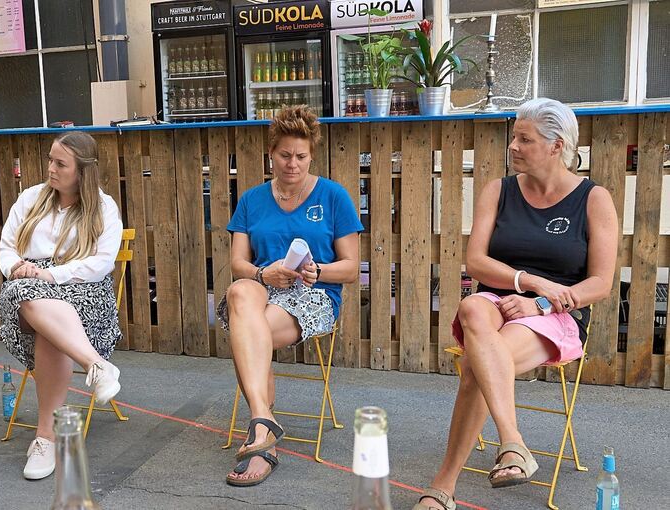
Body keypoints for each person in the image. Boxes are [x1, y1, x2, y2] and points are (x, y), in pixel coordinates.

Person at [413, 98, 618, 510]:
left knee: (477, 366)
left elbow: (600, 283)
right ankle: (513, 442)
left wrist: (540, 304)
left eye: (525, 139)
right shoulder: (499, 191)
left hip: (558, 313)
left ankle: (445, 486)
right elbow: (476, 262)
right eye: (514, 138)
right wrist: (529, 282)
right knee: (472, 308)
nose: (513, 146)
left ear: (557, 145)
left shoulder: (593, 199)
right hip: (498, 300)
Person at [217, 106, 362, 486]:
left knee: (248, 332)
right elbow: (238, 263)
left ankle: (261, 434)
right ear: (271, 154)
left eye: (300, 156)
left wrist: (318, 271)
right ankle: (263, 422)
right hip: (263, 287)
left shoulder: (333, 196)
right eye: (284, 155)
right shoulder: (251, 199)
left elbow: (351, 268)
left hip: (313, 295)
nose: (292, 164)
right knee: (239, 291)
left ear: (311, 155)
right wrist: (263, 273)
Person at [0, 131, 123, 481]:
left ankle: (45, 438)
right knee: (26, 294)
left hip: (84, 291)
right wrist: (16, 267)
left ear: (82, 172)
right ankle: (96, 366)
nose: (50, 168)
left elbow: (101, 263)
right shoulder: (30, 198)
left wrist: (52, 275)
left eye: (60, 164)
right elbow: (6, 247)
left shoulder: (104, 207)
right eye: (50, 160)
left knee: (48, 330)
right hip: (26, 289)